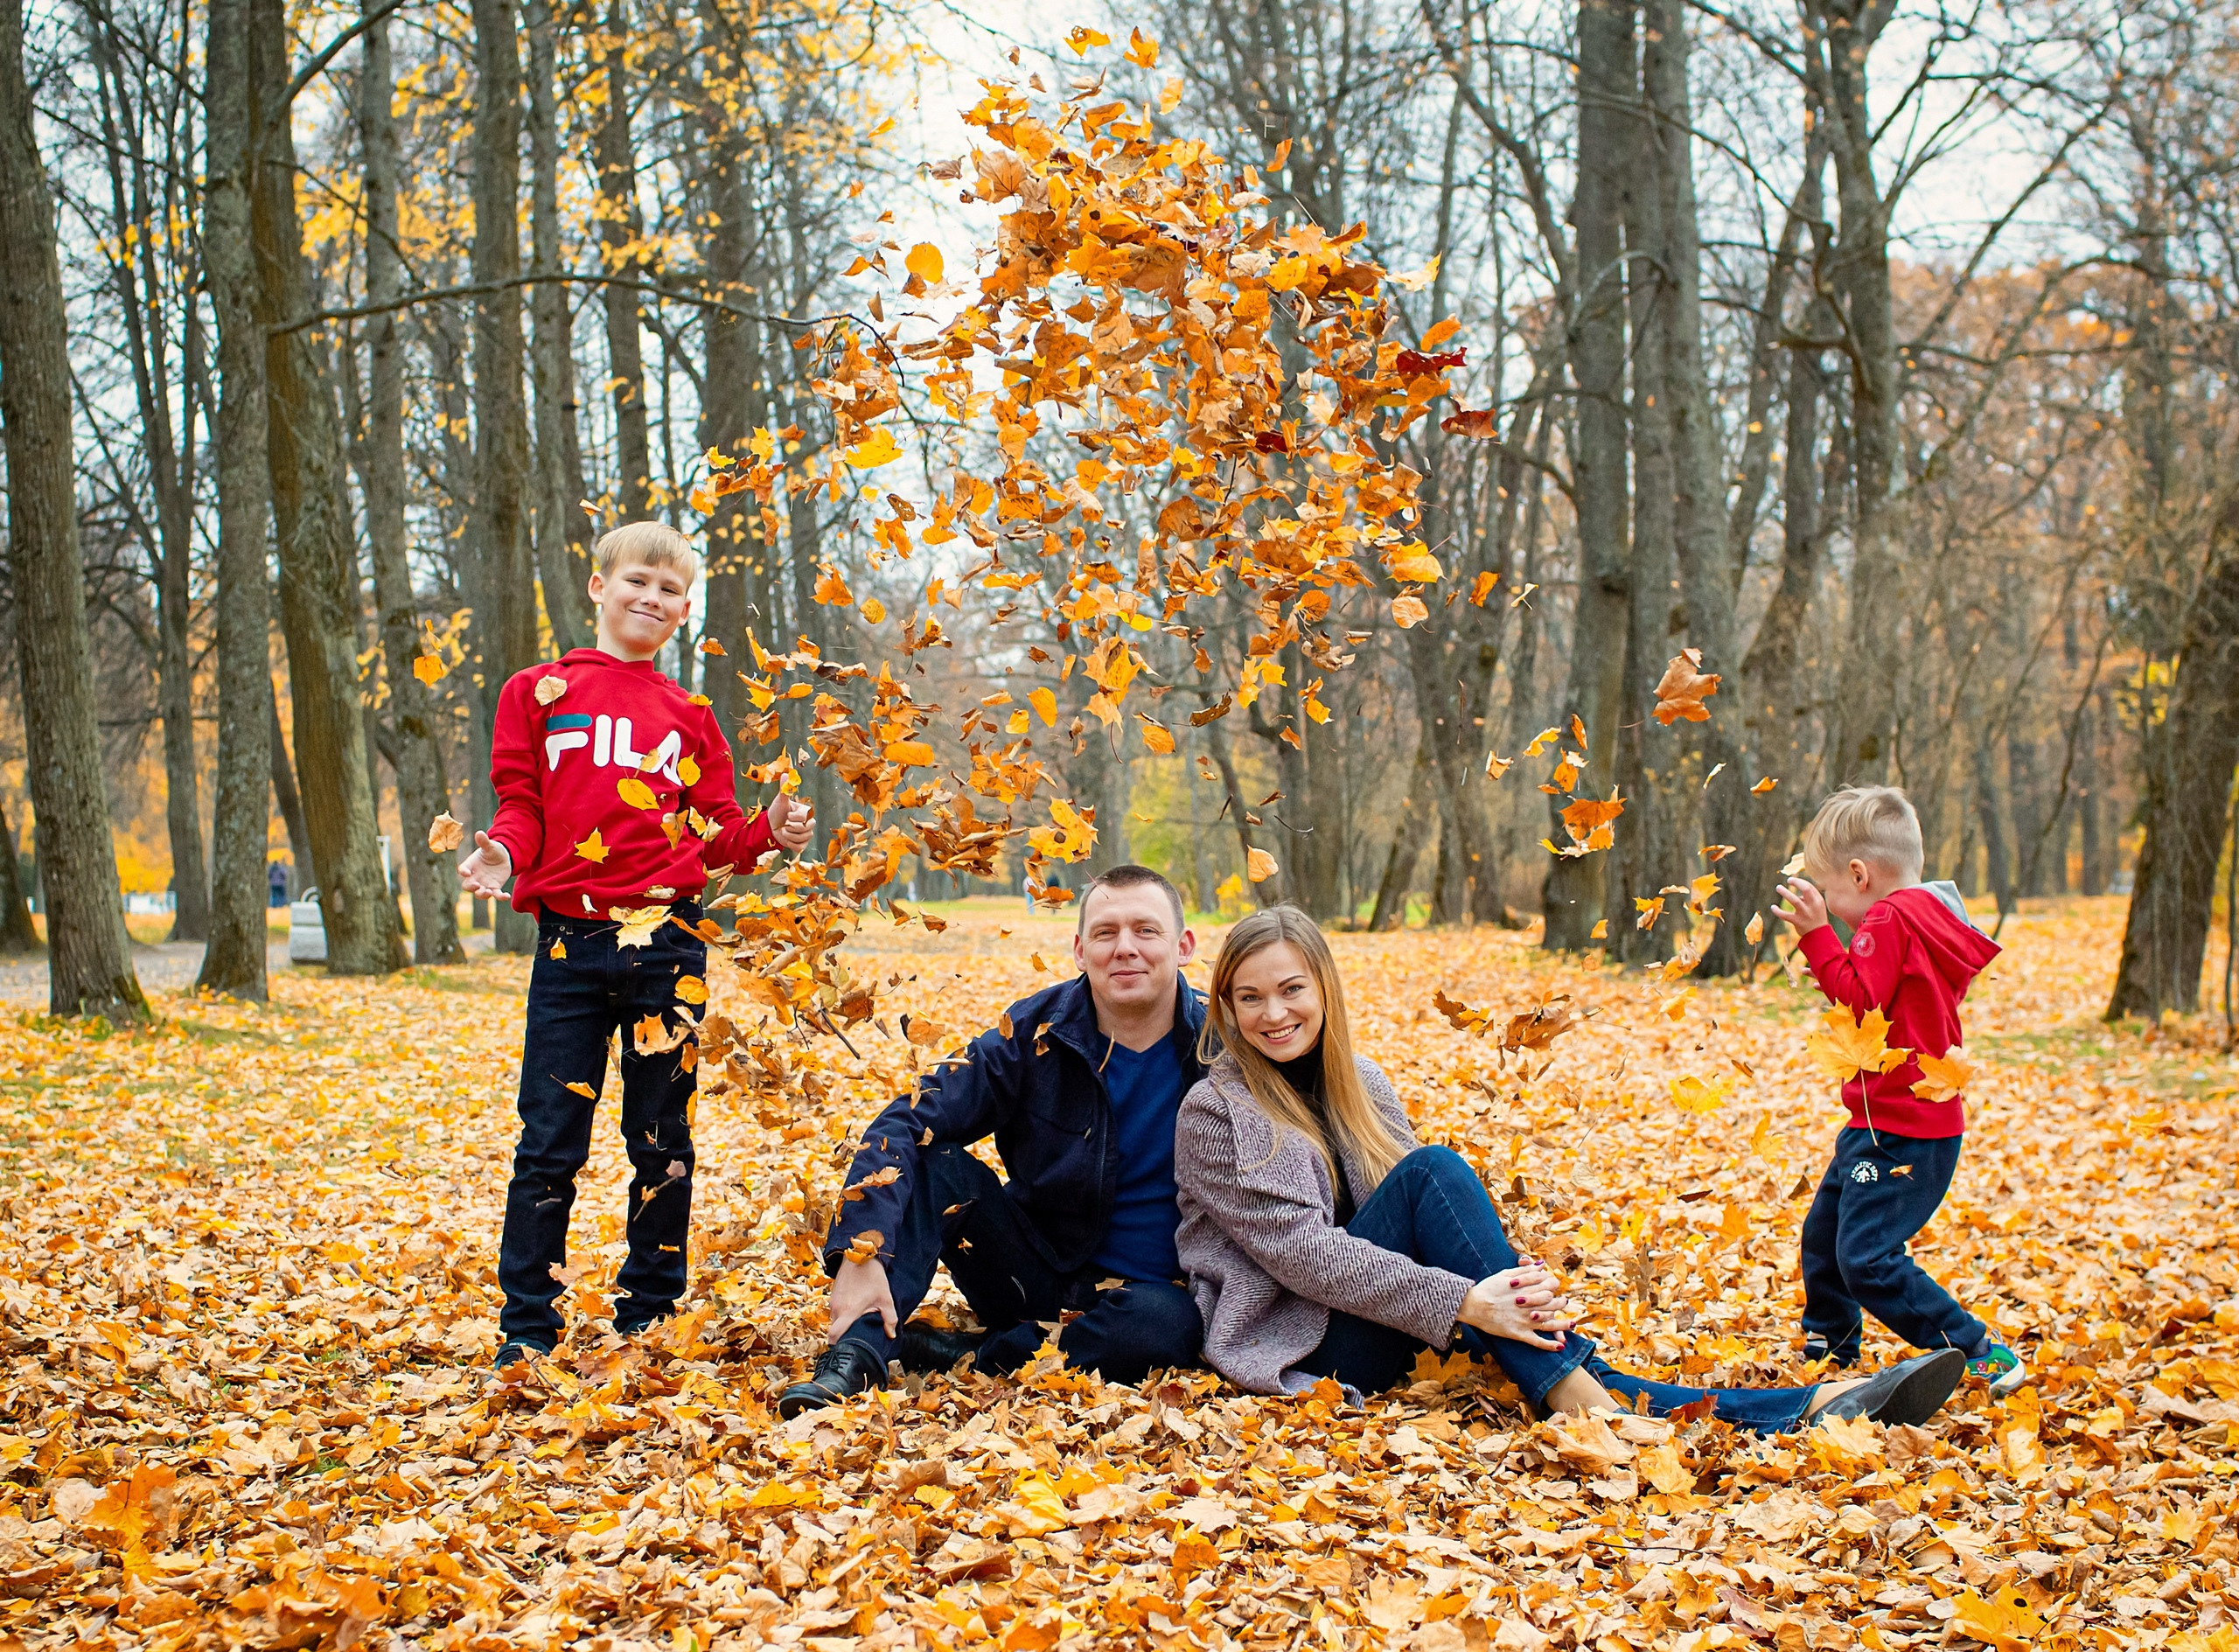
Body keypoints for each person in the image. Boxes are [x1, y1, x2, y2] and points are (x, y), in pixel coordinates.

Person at [1175, 906, 1970, 1431]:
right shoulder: (1214, 1114)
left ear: (1324, 990)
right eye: (1248, 998)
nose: (1273, 1014)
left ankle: (1812, 1404)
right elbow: (1305, 1255)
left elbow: (1422, 1230)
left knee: (1434, 1182)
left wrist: (1507, 1284)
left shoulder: (1364, 1084)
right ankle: (1605, 1399)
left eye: (1290, 989)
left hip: (1395, 1316)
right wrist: (1473, 1300)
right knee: (1435, 1172)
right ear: (1226, 1009)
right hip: (1305, 1347)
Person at [457, 521, 817, 1370]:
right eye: (638, 583)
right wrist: (502, 851)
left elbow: (720, 833)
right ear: (598, 586)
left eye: (669, 592)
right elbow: (521, 801)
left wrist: (772, 830)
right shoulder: (536, 692)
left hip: (668, 945)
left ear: (684, 612)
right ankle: (527, 1327)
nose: (651, 600)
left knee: (661, 1138)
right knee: (548, 1138)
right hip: (568, 948)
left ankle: (649, 1314)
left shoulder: (689, 716)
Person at [778, 865, 1207, 1417]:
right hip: (1029, 1275)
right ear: (1080, 950)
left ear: (1183, 945)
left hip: (1151, 1298)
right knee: (937, 1162)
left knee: (1169, 1327)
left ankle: (979, 1355)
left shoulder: (1221, 1049)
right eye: (1106, 933)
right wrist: (862, 1250)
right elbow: (907, 1119)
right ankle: (860, 1350)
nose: (1125, 948)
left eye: (1146, 931)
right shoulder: (1032, 1034)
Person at [1775, 784, 2025, 1394]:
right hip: (1885, 1124)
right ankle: (1830, 1343)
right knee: (1825, 1232)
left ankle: (1979, 1350)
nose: (1830, 907)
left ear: (1859, 875)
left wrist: (1816, 937)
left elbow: (1861, 1001)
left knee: (1866, 1258)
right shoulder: (1925, 917)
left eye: (1830, 892)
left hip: (1900, 1134)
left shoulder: (1887, 917)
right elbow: (1882, 1001)